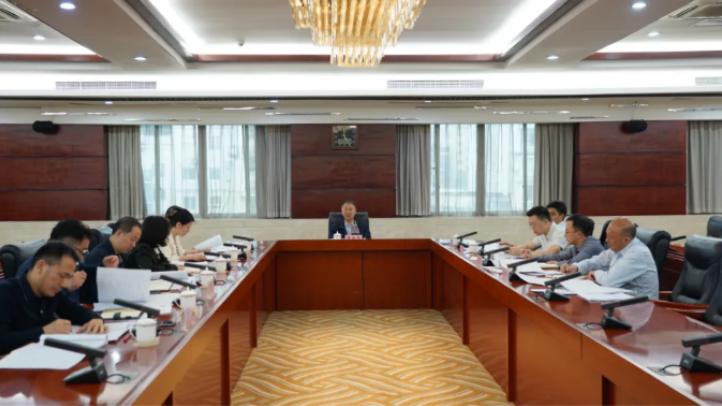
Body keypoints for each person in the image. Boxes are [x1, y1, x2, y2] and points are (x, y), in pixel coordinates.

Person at [0, 242, 106, 354]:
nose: (65, 284)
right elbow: (2, 341)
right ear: (40, 266)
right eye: (63, 276)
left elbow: (77, 312)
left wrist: (95, 319)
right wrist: (43, 331)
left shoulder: (52, 293)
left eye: (69, 277)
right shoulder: (5, 292)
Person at [15, 219, 119, 303]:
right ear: (65, 246)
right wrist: (68, 288)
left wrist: (103, 267)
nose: (82, 257)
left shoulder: (67, 264)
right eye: (82, 251)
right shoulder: (32, 269)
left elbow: (85, 272)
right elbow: (42, 309)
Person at [560, 218, 659, 299]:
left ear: (626, 239)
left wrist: (595, 274)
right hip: (621, 299)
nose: (606, 240)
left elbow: (609, 281)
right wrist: (576, 267)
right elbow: (598, 260)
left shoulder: (637, 254)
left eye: (611, 237)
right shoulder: (620, 246)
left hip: (640, 306)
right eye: (607, 235)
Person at [537, 214, 604, 264]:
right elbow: (559, 256)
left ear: (578, 234)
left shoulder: (592, 246)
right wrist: (536, 258)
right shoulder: (576, 247)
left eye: (567, 232)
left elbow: (575, 262)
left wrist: (558, 264)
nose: (564, 235)